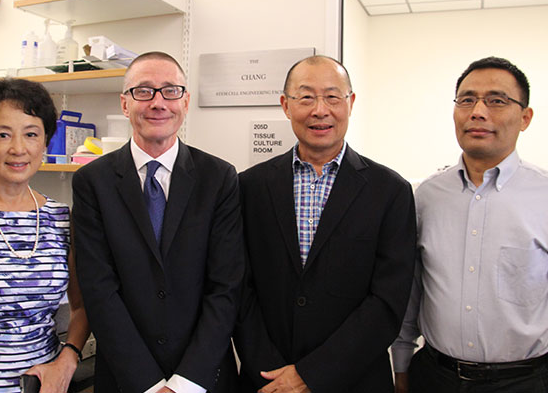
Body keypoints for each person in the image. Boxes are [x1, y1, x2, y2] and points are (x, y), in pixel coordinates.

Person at [234, 55, 417, 393]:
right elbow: (239, 288)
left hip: (355, 380)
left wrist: (310, 375)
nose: (320, 110)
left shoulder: (390, 191)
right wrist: (270, 370)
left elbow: (388, 301)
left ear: (351, 103)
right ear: (285, 106)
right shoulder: (249, 187)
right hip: (267, 382)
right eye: (305, 97)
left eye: (333, 97)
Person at [72, 51, 243, 393]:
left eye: (170, 91)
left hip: (203, 378)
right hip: (125, 379)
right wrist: (148, 384)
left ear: (186, 101)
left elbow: (226, 287)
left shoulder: (219, 178)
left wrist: (185, 382)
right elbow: (99, 289)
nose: (158, 102)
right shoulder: (93, 182)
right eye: (144, 91)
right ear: (125, 104)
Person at [392, 56, 548, 392]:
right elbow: (412, 289)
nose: (478, 111)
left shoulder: (544, 195)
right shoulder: (427, 196)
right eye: (467, 100)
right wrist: (401, 364)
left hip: (525, 381)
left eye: (496, 100)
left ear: (525, 117)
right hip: (435, 377)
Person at [0, 78, 90, 393]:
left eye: (31, 134)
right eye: (2, 135)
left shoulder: (61, 219)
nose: (18, 149)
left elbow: (81, 307)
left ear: (44, 143)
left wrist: (67, 361)